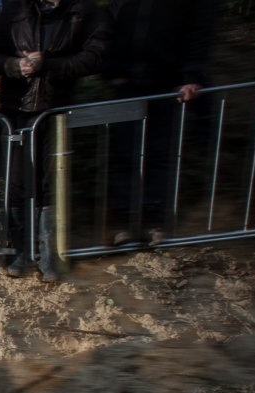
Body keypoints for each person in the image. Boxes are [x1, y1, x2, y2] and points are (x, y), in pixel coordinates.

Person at [0, 0, 111, 282]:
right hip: (14, 110)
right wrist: (13, 65)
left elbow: (97, 56)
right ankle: (21, 252)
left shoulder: (83, 10)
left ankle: (50, 254)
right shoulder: (14, 10)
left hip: (57, 109)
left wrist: (47, 65)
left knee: (50, 184)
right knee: (15, 182)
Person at [105, 0, 220, 246]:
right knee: (124, 153)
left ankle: (153, 221)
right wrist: (112, 71)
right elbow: (108, 25)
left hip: (167, 83)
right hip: (127, 83)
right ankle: (123, 222)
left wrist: (191, 75)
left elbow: (201, 29)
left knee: (159, 153)